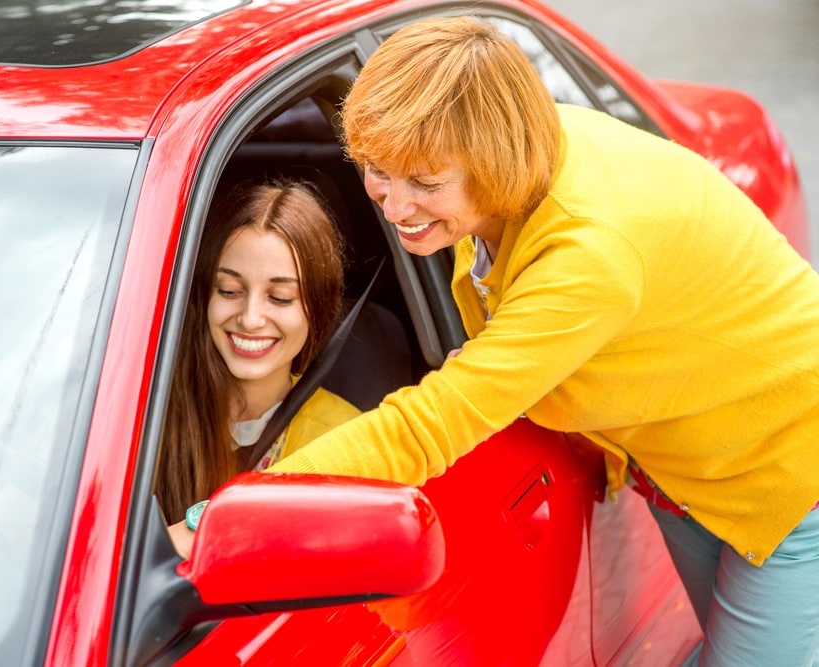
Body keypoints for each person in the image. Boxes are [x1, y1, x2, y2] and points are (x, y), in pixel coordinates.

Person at [261, 17, 819, 667]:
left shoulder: (588, 255)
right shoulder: (504, 156)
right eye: (376, 170)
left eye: (425, 183)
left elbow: (426, 426)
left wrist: (239, 512)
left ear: (491, 161)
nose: (394, 206)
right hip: (682, 461)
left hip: (784, 469)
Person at [154, 177, 360, 527]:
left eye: (280, 298)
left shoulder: (348, 437)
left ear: (319, 309)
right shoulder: (147, 415)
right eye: (230, 290)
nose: (250, 319)